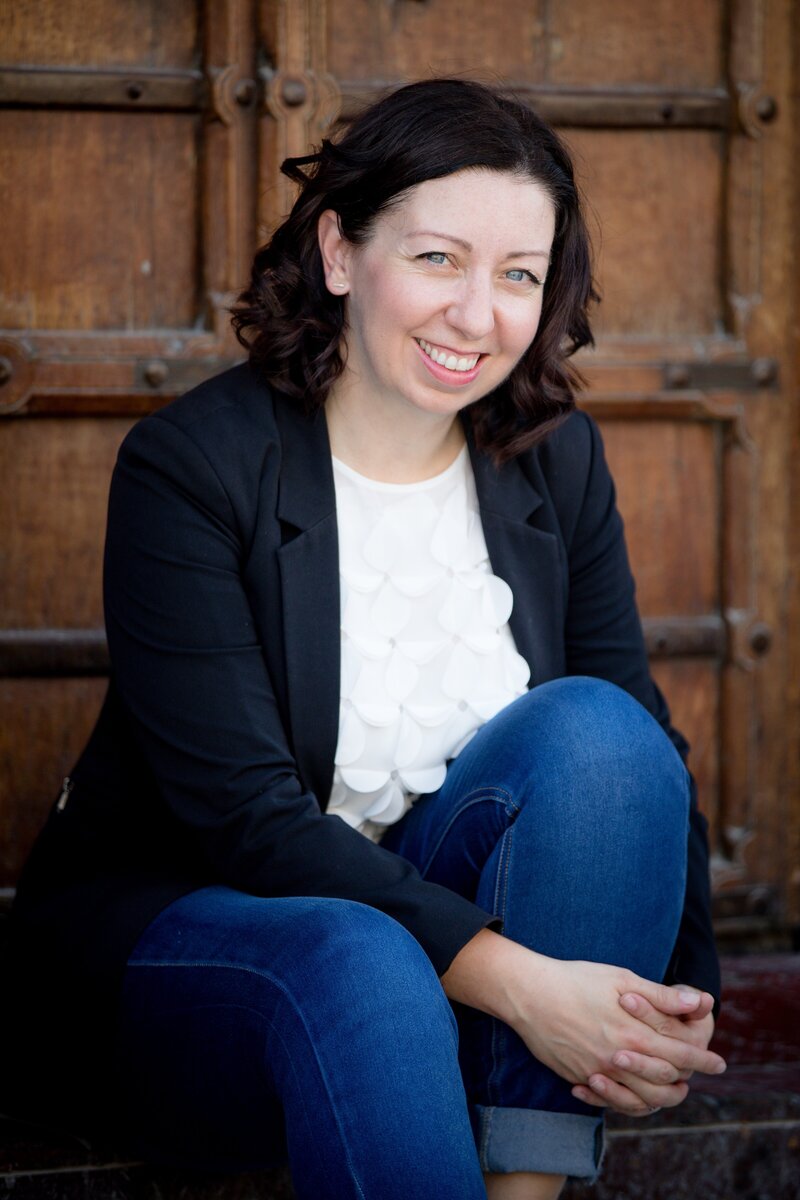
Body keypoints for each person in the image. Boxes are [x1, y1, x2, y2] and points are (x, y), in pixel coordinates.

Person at [6, 79, 724, 1200]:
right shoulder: (190, 468)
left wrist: (661, 1017)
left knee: (603, 734)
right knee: (362, 957)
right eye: (437, 258)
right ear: (339, 251)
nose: (476, 314)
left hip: (445, 956)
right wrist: (527, 987)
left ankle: (520, 1190)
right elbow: (246, 820)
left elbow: (642, 750)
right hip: (206, 962)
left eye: (517, 276)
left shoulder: (554, 459)